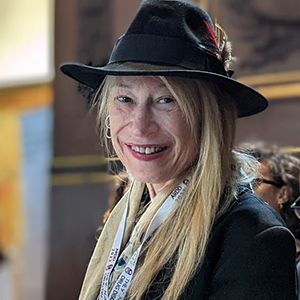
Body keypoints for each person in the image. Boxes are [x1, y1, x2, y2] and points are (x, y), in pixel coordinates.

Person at [60, 0, 297, 299]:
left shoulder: (252, 237)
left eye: (166, 100)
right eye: (125, 99)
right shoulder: (129, 217)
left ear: (207, 119)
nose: (140, 126)